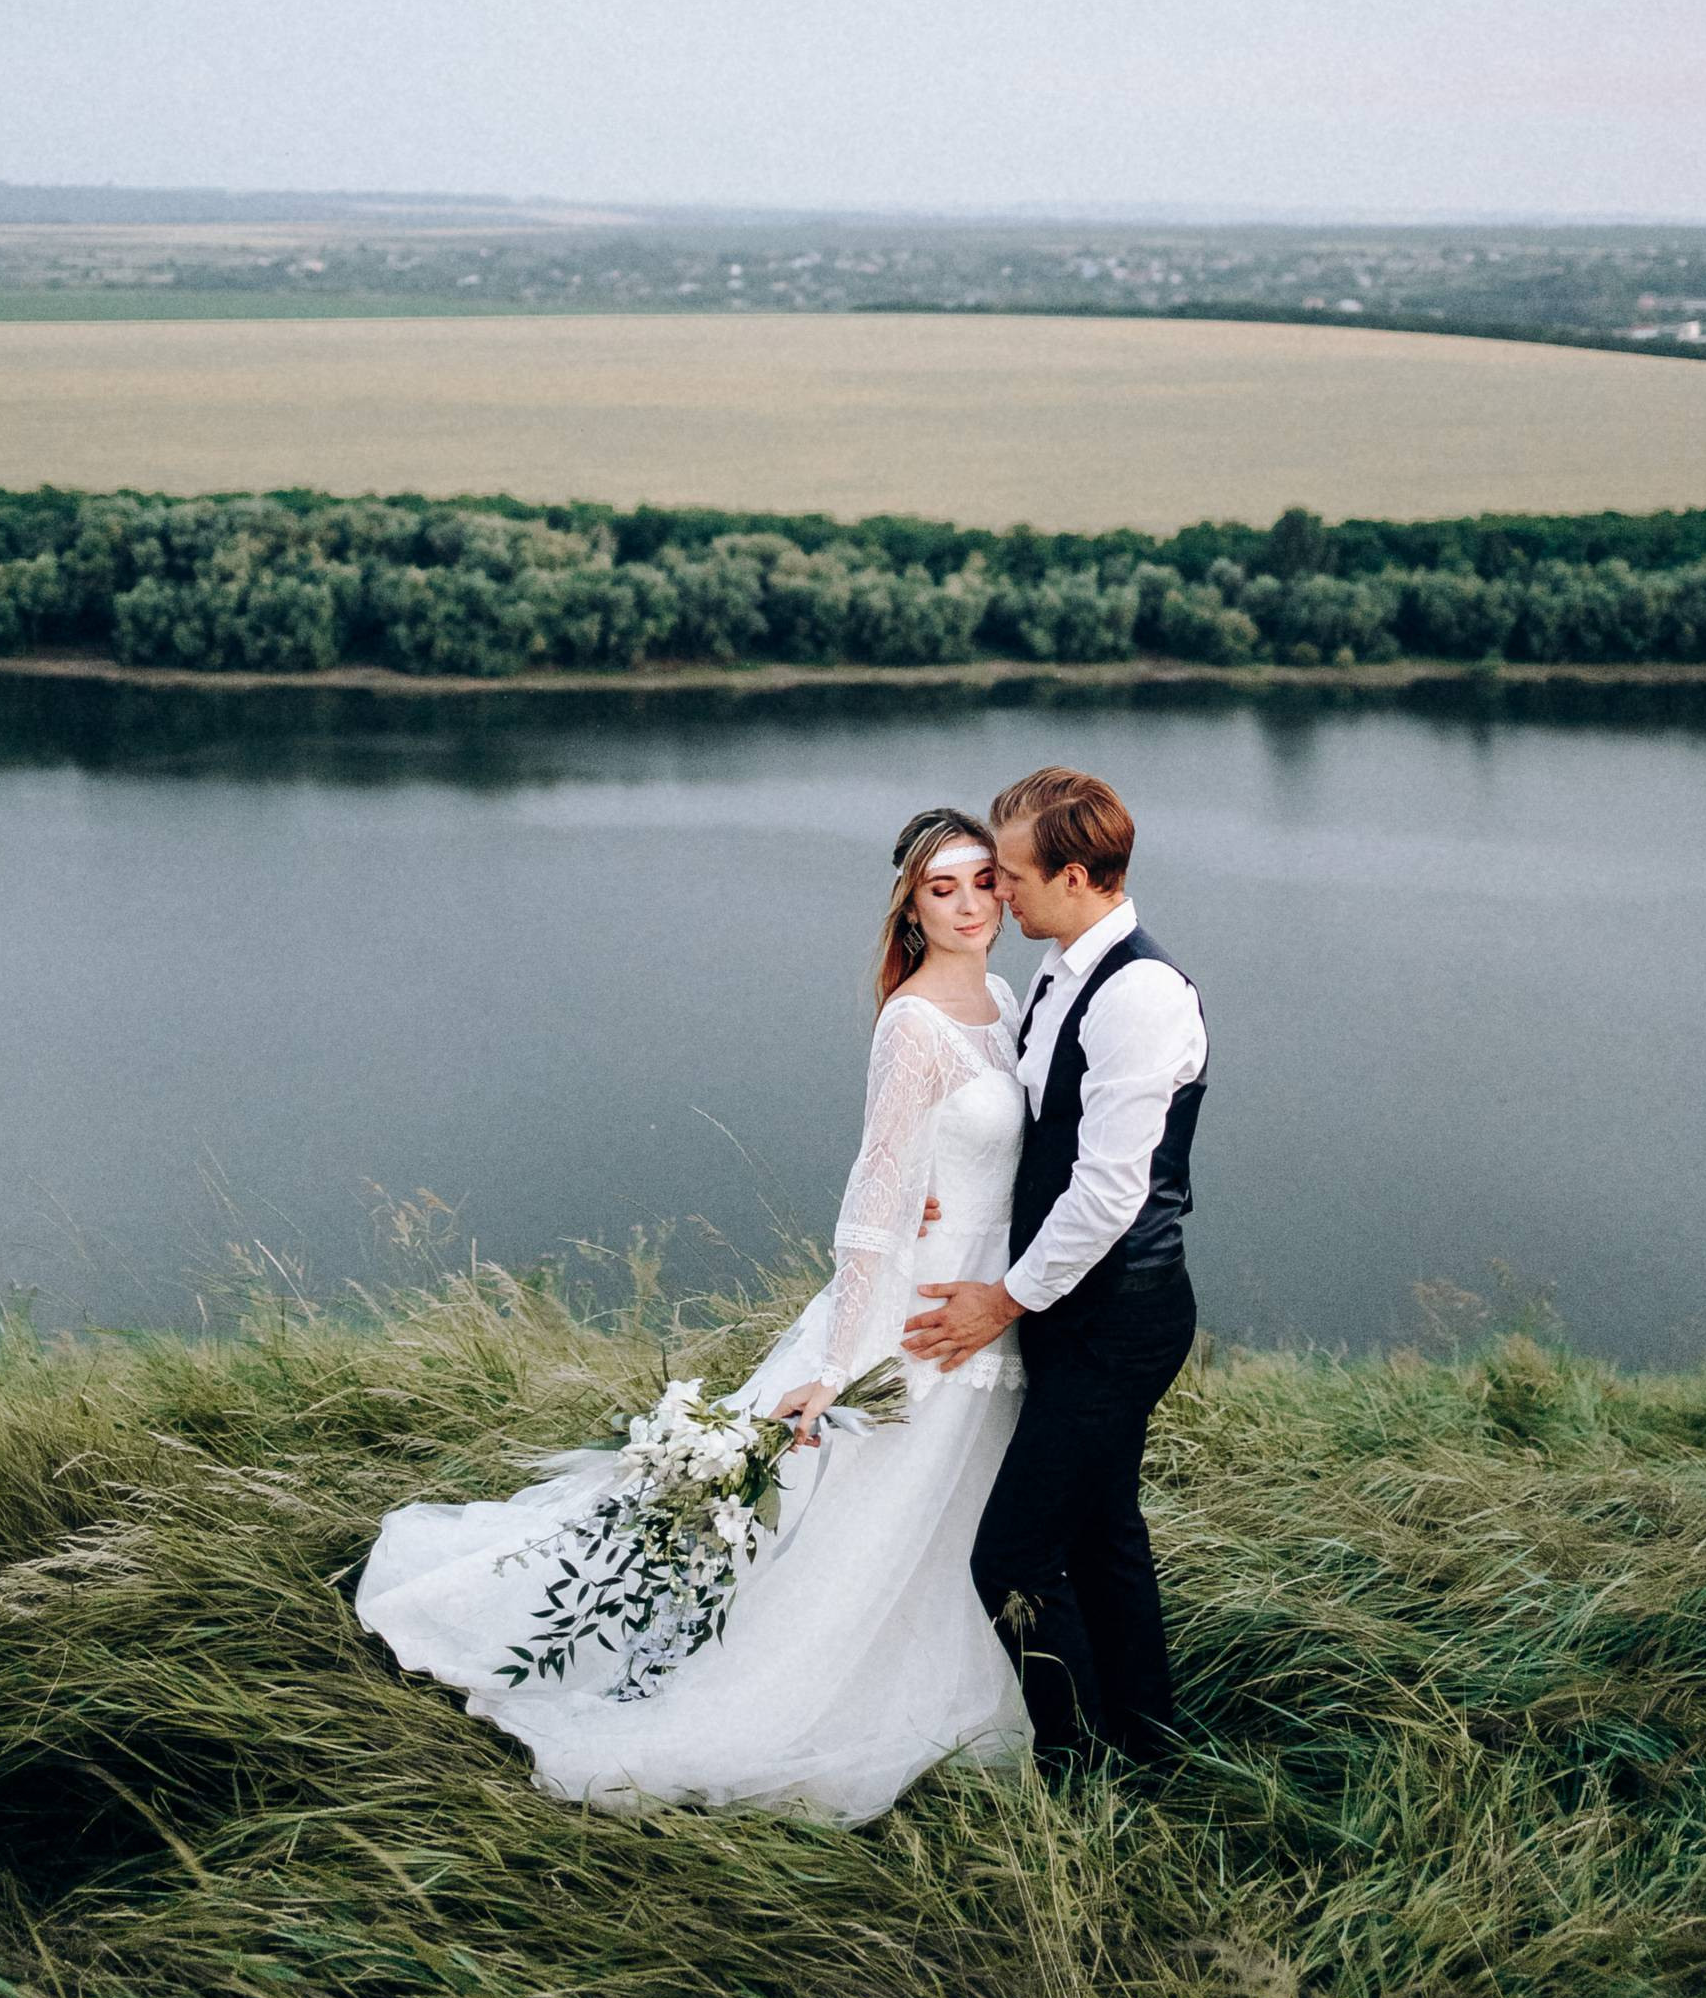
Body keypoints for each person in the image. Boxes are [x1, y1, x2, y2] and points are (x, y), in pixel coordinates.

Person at [352, 808, 1033, 1821]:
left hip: (985, 1305)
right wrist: (838, 1360)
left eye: (982, 879)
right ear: (910, 907)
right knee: (850, 1516)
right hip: (913, 1312)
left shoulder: (1007, 994)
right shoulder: (911, 1023)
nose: (970, 902)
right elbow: (872, 1202)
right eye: (943, 887)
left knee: (947, 1515)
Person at [902, 766, 1207, 1772]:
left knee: (1013, 1557)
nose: (997, 892)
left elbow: (1109, 1192)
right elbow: (1029, 1128)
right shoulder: (1055, 966)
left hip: (1119, 1316)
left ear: (1074, 875)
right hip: (1077, 1313)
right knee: (1103, 1529)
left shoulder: (1142, 996)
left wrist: (1002, 1298)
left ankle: (1073, 1763)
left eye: (1013, 874)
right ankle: (1151, 1742)